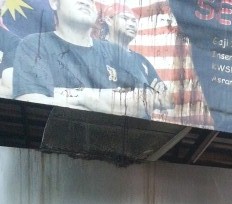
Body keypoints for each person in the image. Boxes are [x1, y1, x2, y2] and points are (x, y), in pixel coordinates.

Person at [12, 0, 170, 118]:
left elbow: (143, 102)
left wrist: (78, 96)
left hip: (119, 151)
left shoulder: (117, 53)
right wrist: (113, 102)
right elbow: (31, 104)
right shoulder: (34, 45)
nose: (86, 1)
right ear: (54, 2)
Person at [102, 3, 168, 98]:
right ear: (109, 20)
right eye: (125, 18)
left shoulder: (142, 61)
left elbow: (166, 99)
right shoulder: (96, 50)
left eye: (134, 21)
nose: (131, 24)